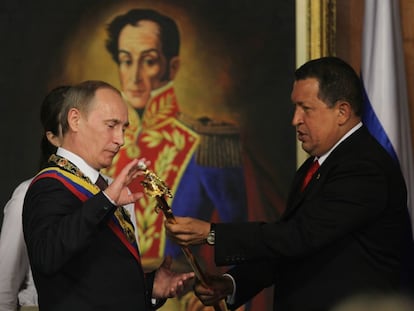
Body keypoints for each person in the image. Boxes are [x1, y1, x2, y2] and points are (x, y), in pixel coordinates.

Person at [164, 57, 414, 311]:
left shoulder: (364, 166)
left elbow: (300, 236)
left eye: (306, 108)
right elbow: (289, 246)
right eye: (295, 108)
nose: (295, 119)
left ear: (342, 112)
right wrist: (232, 283)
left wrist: (212, 233)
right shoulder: (315, 166)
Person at [22, 80, 194, 311]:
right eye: (111, 125)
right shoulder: (50, 185)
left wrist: (149, 286)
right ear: (75, 120)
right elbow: (47, 256)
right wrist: (106, 200)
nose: (120, 140)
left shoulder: (95, 185)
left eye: (123, 128)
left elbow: (97, 281)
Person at [103, 8, 248, 268]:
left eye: (148, 61)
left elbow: (241, 244)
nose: (134, 76)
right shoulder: (102, 145)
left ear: (172, 67)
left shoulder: (207, 143)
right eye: (126, 60)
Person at [0, 85, 70, 311]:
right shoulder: (30, 193)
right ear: (52, 137)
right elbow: (6, 283)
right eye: (72, 124)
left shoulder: (116, 191)